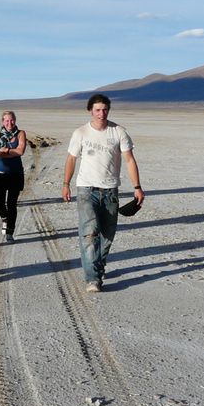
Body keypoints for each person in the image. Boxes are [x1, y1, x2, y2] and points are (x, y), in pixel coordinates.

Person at [61, 94, 144, 292]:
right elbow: (71, 159)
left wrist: (137, 187)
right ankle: (93, 279)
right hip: (86, 189)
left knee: (107, 236)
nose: (101, 113)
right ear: (90, 110)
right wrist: (66, 183)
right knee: (89, 233)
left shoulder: (119, 132)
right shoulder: (80, 133)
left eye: (105, 109)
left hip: (110, 190)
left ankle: (97, 266)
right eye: (97, 109)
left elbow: (130, 160)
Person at [0, 110, 27, 243]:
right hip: (0, 173)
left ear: (15, 120)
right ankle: (4, 218)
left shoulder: (21, 133)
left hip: (15, 174)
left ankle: (9, 232)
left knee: (12, 204)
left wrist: (5, 150)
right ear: (2, 121)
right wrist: (11, 152)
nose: (9, 123)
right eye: (6, 120)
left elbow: (21, 151)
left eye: (11, 120)